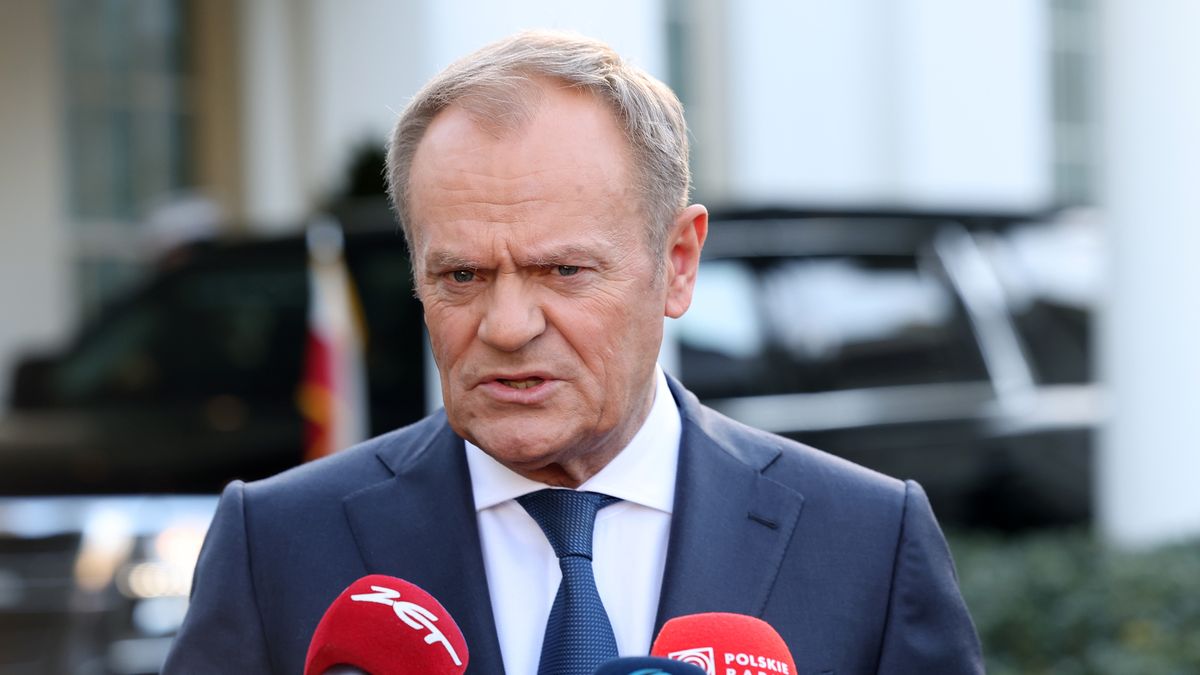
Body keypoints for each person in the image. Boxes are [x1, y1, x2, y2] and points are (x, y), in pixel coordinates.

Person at [165, 30, 983, 674]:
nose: (509, 323)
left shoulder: (866, 542)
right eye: (462, 273)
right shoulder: (275, 543)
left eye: (563, 269)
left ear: (677, 263)